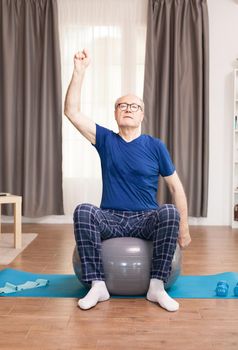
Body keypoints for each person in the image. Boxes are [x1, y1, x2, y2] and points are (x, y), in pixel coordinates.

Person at [64, 49, 191, 312]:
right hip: (111, 217)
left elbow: (176, 188)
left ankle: (156, 287)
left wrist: (185, 227)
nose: (129, 109)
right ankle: (97, 285)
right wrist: (79, 71)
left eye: (135, 106)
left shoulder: (155, 146)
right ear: (116, 113)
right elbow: (72, 112)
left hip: (146, 218)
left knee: (168, 211)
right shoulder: (106, 140)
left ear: (142, 115)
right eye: (123, 105)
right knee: (83, 211)